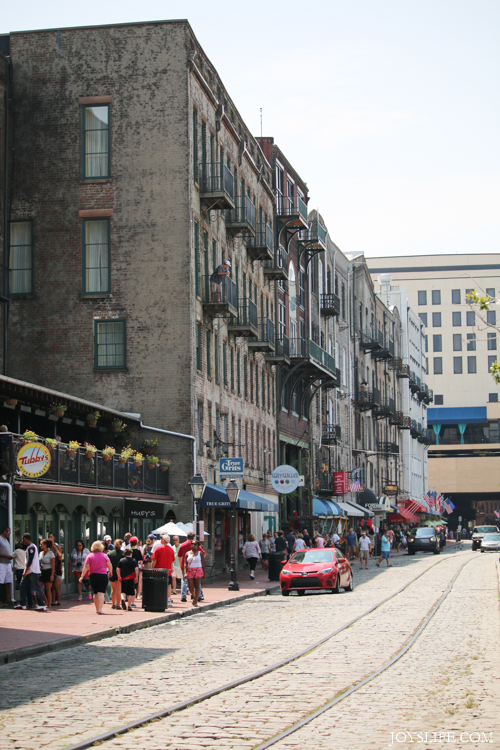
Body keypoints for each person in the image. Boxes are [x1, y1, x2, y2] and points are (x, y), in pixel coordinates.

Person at [80, 540, 113, 614]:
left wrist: (82, 576)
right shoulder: (104, 555)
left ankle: (97, 608)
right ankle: (100, 609)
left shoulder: (90, 556)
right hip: (103, 575)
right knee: (101, 593)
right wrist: (111, 572)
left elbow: (86, 566)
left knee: (95, 593)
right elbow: (109, 565)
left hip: (93, 575)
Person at [15, 533, 46, 611]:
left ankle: (41, 604)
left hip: (32, 571)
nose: (23, 541)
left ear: (25, 539)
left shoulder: (31, 547)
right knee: (22, 586)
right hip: (29, 572)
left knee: (36, 587)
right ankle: (22, 604)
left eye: (23, 539)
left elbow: (30, 560)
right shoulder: (32, 546)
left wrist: (25, 571)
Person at [152, 533, 175, 607]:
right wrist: (171, 569)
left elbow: (154, 560)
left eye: (161, 538)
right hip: (168, 571)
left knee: (158, 585)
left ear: (164, 540)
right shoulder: (171, 549)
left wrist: (152, 568)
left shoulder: (158, 548)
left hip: (159, 571)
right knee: (168, 585)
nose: (160, 540)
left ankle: (159, 599)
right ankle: (168, 600)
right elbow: (172, 561)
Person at [177, 531, 198, 602]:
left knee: (184, 581)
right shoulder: (196, 545)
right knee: (195, 581)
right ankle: (195, 595)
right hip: (194, 566)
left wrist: (181, 564)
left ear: (186, 537)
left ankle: (183, 595)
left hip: (185, 566)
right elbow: (202, 553)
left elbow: (179, 556)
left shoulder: (182, 545)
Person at [184, 540, 206, 606]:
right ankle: (194, 597)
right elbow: (185, 564)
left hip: (198, 570)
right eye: (192, 544)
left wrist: (204, 574)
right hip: (190, 570)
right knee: (190, 587)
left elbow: (203, 564)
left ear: (198, 546)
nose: (193, 545)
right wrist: (185, 572)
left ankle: (195, 601)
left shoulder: (200, 553)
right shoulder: (187, 553)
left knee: (197, 586)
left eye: (195, 544)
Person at [39, 539, 55, 611]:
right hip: (41, 572)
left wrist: (52, 575)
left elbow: (53, 565)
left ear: (45, 545)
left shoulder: (51, 553)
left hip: (48, 571)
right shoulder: (41, 553)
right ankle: (45, 600)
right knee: (39, 587)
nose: (40, 546)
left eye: (41, 544)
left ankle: (49, 604)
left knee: (47, 589)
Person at [108, 539, 124, 609]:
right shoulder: (123, 554)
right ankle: (118, 605)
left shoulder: (110, 553)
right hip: (119, 572)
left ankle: (113, 604)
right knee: (118, 589)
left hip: (112, 571)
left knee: (113, 589)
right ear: (121, 545)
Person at [47, 532, 63, 606]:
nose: (50, 538)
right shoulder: (47, 547)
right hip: (50, 570)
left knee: (56, 586)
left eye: (51, 537)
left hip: (57, 569)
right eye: (49, 536)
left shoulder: (57, 546)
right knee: (52, 587)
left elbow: (60, 556)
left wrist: (55, 548)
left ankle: (58, 600)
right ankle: (53, 601)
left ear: (54, 538)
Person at [0, 526, 13, 605]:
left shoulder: (6, 540)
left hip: (8, 563)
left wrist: (10, 563)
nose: (9, 534)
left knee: (8, 581)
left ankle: (8, 599)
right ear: (4, 531)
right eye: (8, 532)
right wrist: (6, 556)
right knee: (0, 582)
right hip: (1, 563)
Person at [129, 537, 143, 602]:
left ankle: (127, 597)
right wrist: (142, 566)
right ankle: (134, 599)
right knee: (136, 584)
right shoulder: (138, 551)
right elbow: (141, 561)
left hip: (128, 568)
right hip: (136, 568)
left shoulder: (128, 551)